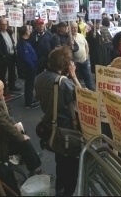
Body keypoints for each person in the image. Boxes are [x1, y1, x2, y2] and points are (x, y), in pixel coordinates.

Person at [34, 45, 82, 196]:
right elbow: (83, 99)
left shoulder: (40, 77)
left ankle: (59, 190)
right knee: (72, 169)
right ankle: (67, 192)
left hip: (50, 126)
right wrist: (73, 76)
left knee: (60, 163)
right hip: (67, 130)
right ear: (66, 64)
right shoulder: (63, 82)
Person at [0, 18, 20, 93]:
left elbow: (11, 42)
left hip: (11, 55)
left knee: (12, 71)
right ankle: (3, 89)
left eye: (6, 24)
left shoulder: (9, 32)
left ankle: (12, 86)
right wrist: (2, 55)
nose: (5, 26)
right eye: (3, 24)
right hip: (3, 57)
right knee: (2, 74)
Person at [16, 26, 39, 109]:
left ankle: (30, 99)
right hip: (29, 68)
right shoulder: (22, 43)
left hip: (30, 67)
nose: (30, 31)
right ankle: (29, 103)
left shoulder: (25, 42)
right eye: (29, 30)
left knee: (30, 84)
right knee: (29, 85)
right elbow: (27, 58)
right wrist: (32, 66)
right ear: (26, 32)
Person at [70, 21, 94, 91]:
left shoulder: (81, 35)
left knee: (87, 77)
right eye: (73, 28)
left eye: (76, 27)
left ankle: (91, 91)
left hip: (84, 61)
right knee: (76, 78)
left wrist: (86, 55)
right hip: (75, 63)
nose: (75, 29)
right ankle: (78, 92)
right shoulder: (68, 37)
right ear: (70, 28)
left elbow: (86, 46)